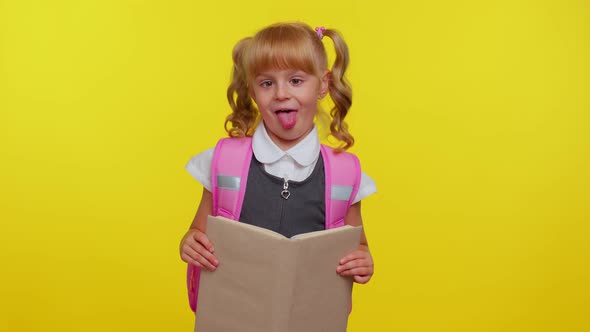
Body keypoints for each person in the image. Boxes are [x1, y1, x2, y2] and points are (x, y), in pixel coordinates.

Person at [179, 22, 376, 308]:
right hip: (233, 315)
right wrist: (190, 243)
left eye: (295, 80)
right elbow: (197, 233)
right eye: (267, 83)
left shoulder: (345, 174)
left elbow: (359, 247)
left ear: (323, 84)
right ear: (253, 90)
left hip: (309, 317)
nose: (281, 93)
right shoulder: (223, 161)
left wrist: (362, 262)